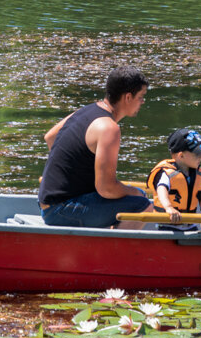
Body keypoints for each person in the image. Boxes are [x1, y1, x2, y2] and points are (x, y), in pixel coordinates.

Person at [38, 65, 153, 229]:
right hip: (61, 210)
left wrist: (75, 176)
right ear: (128, 97)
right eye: (141, 97)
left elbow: (50, 137)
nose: (142, 102)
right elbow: (106, 189)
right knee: (142, 206)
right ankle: (115, 254)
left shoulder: (86, 110)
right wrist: (135, 192)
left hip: (48, 204)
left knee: (120, 201)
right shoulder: (109, 128)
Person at [145, 127, 201, 226]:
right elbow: (161, 190)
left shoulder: (198, 174)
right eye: (197, 154)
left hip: (190, 225)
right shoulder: (167, 173)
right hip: (167, 225)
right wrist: (169, 208)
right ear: (181, 156)